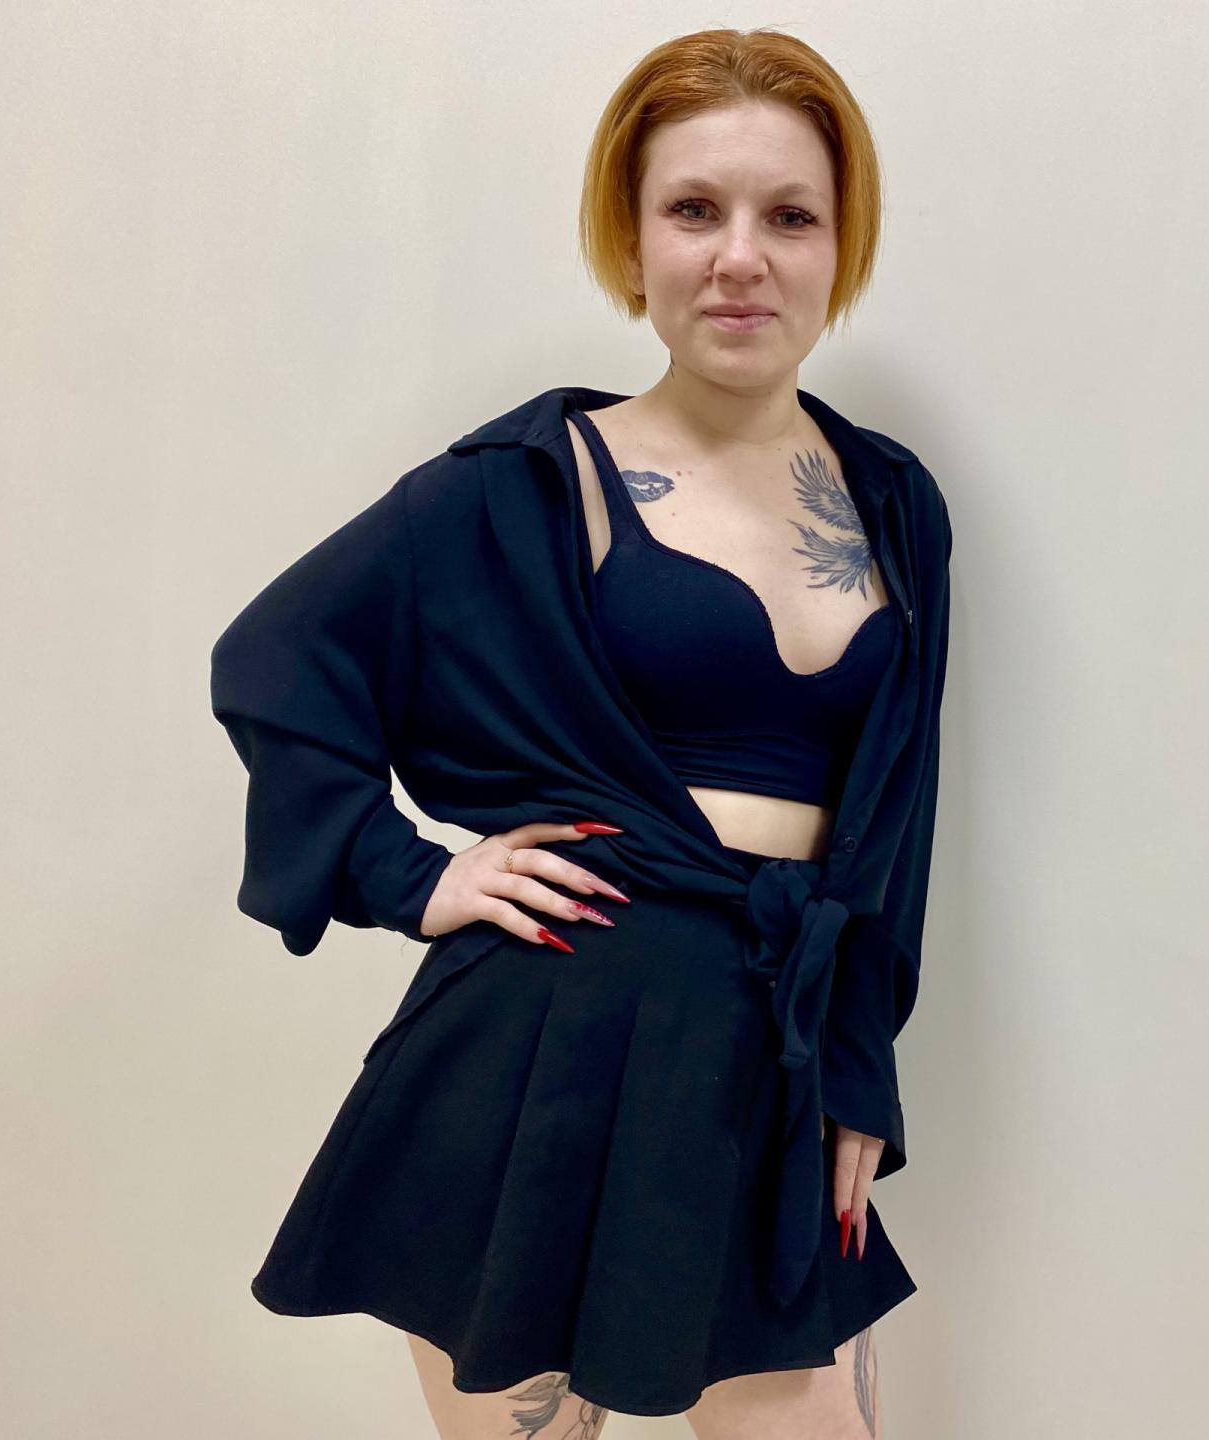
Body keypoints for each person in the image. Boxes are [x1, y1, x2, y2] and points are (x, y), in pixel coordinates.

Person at [211, 26, 954, 1439]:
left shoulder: (894, 501)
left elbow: (897, 813)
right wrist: (412, 874)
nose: (740, 257)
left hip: (772, 1050)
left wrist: (860, 1060)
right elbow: (277, 661)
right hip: (544, 1038)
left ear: (841, 242)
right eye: (695, 209)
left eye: (790, 215)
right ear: (633, 236)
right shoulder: (528, 480)